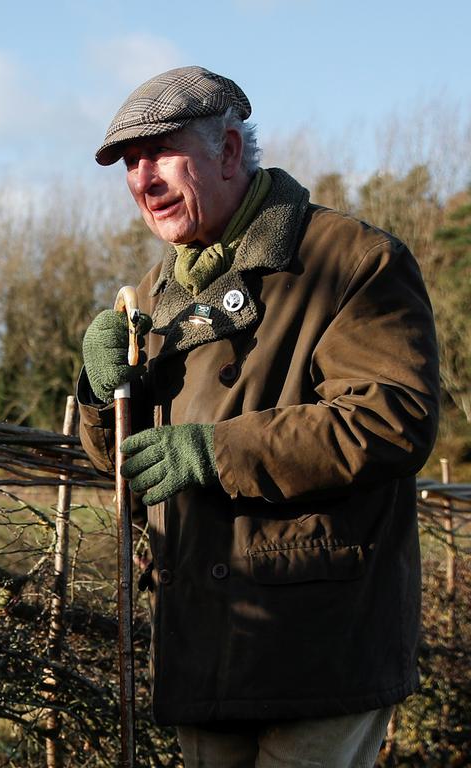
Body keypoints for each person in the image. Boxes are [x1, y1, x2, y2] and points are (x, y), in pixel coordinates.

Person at [77, 66, 440, 767]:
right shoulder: (152, 295)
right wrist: (101, 397)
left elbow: (392, 418)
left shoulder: (349, 259)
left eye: (160, 152)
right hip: (205, 643)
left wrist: (213, 452)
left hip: (318, 643)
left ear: (231, 152)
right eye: (129, 162)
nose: (142, 177)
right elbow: (132, 468)